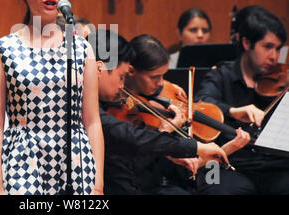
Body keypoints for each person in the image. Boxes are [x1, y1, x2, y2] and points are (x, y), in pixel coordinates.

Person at [0, 0, 104, 195]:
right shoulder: (4, 49)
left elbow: (92, 121)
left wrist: (98, 185)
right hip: (22, 160)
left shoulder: (81, 47)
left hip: (75, 160)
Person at [89, 30, 230, 195]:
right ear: (99, 69)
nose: (122, 86)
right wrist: (191, 146)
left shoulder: (103, 102)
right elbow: (130, 137)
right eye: (121, 76)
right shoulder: (94, 109)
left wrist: (171, 152)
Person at [196, 8, 289, 194]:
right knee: (213, 186)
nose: (274, 56)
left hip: (274, 166)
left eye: (278, 48)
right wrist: (232, 110)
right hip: (225, 162)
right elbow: (200, 104)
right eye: (268, 47)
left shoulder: (282, 80)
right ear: (246, 43)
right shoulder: (221, 75)